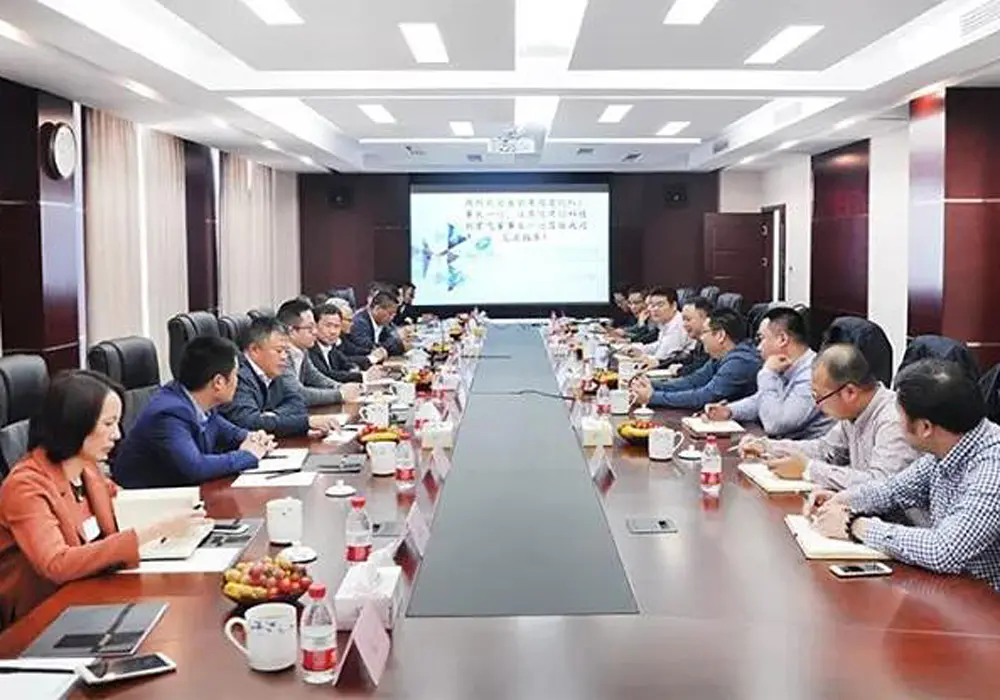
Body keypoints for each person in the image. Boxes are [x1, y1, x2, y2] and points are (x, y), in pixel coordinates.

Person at [0, 371, 205, 626]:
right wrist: (154, 530)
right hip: (41, 617)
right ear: (75, 424)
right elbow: (56, 563)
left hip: (93, 595)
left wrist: (182, 511)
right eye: (108, 424)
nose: (117, 434)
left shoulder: (87, 468)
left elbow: (124, 501)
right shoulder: (25, 485)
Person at [807, 359, 1000, 591]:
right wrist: (843, 499)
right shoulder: (947, 447)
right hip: (951, 589)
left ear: (925, 428)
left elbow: (944, 550)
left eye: (900, 417)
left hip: (986, 601)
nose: (897, 423)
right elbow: (893, 490)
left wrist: (854, 525)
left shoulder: (992, 466)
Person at [741, 343, 919, 489]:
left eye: (819, 397)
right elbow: (824, 450)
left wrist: (808, 470)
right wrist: (767, 446)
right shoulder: (853, 413)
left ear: (850, 392)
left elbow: (881, 484)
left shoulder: (893, 419)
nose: (817, 405)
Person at [113, 337, 274, 488]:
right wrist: (248, 455)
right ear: (218, 382)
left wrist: (254, 438)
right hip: (150, 501)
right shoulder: (169, 414)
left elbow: (230, 432)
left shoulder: (200, 402)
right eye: (235, 376)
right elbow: (195, 467)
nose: (238, 382)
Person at [705, 307, 832, 439]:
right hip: (786, 445)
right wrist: (730, 410)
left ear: (782, 339)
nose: (758, 347)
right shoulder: (786, 366)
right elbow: (764, 400)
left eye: (762, 338)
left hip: (808, 448)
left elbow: (775, 424)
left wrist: (767, 374)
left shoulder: (812, 374)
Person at [221, 315, 338, 437]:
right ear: (254, 350)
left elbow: (297, 402)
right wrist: (306, 422)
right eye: (279, 351)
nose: (284, 357)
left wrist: (272, 417)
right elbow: (250, 422)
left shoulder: (272, 370)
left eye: (286, 351)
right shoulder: (237, 376)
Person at [630, 309, 761, 410]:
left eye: (705, 332)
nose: (701, 338)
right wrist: (651, 384)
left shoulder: (740, 361)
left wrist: (653, 397)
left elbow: (704, 397)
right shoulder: (722, 355)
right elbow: (693, 381)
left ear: (720, 335)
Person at [276, 299, 361, 407]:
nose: (315, 332)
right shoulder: (279, 354)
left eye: (314, 327)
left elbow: (315, 377)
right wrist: (340, 394)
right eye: (310, 328)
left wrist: (340, 387)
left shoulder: (302, 350)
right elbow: (297, 394)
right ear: (291, 331)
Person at [652, 296, 712, 377]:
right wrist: (659, 363)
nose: (684, 324)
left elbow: (700, 369)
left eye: (688, 319)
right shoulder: (699, 342)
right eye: (683, 319)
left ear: (706, 319)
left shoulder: (712, 344)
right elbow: (688, 359)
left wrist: (680, 370)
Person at [633, 287, 693, 364]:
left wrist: (641, 355)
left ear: (674, 306)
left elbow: (661, 357)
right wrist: (640, 349)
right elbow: (660, 344)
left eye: (660, 305)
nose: (655, 309)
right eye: (652, 305)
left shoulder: (679, 324)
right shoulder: (666, 322)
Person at [325, 298, 387, 370]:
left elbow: (353, 349)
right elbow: (343, 360)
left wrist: (373, 351)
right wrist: (370, 358)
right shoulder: (327, 340)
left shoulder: (342, 337)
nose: (352, 324)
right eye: (349, 320)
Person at [348, 290, 406, 357]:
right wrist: (398, 344)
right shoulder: (359, 323)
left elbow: (393, 341)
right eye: (390, 313)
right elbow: (369, 347)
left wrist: (400, 341)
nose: (392, 317)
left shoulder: (384, 324)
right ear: (377, 308)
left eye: (394, 315)